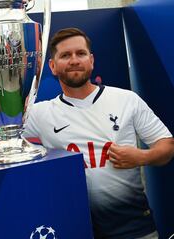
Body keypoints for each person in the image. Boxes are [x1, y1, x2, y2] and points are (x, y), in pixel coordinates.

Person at [22, 28, 174, 238]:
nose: (74, 60)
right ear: (53, 66)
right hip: (74, 229)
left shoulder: (126, 99)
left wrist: (142, 156)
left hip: (134, 228)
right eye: (65, 55)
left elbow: (167, 145)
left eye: (80, 53)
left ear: (91, 60)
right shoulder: (40, 113)